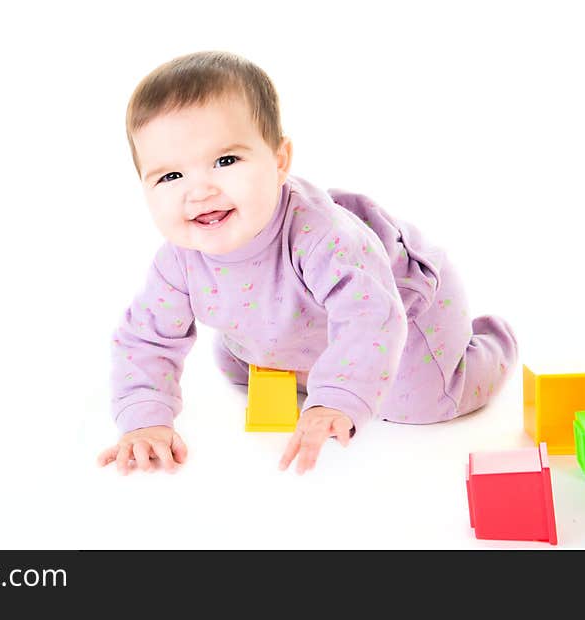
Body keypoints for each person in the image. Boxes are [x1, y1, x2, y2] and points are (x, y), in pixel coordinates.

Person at [97, 51, 517, 475]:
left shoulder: (319, 236)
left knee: (422, 400)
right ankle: (317, 364)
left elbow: (368, 316)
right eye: (170, 177)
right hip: (294, 326)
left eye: (225, 161)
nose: (199, 191)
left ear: (279, 162)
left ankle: (491, 342)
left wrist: (334, 398)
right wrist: (145, 419)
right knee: (234, 364)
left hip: (400, 309)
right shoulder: (178, 260)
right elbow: (146, 340)